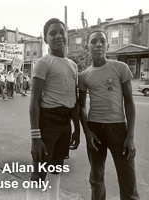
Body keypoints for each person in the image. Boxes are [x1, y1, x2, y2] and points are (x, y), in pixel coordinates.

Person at [78, 30, 140, 200]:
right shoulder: (83, 76)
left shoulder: (120, 68)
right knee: (96, 179)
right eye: (94, 42)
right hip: (95, 129)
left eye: (102, 41)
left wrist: (130, 136)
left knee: (128, 179)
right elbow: (81, 106)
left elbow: (129, 102)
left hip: (118, 128)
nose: (98, 44)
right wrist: (87, 131)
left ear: (108, 45)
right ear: (87, 46)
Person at [26, 18, 80, 200]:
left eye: (61, 32)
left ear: (67, 35)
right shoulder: (43, 63)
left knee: (56, 169)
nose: (58, 36)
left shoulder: (73, 65)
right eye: (52, 33)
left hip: (65, 124)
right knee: (39, 173)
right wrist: (35, 138)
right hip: (47, 122)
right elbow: (34, 101)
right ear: (45, 39)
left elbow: (73, 99)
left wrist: (76, 129)